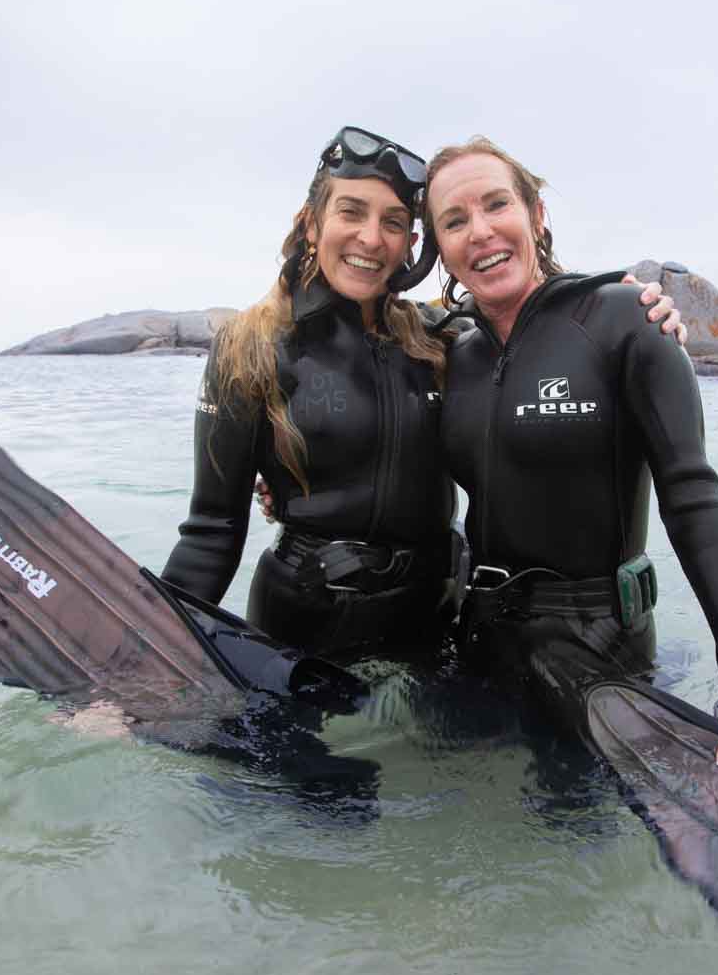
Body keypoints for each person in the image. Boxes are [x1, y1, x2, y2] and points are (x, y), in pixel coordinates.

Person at [163, 125, 684, 656]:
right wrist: (138, 664)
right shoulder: (247, 347)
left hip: (434, 624)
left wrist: (628, 312)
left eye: (393, 222)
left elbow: (534, 333)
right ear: (312, 225)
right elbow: (210, 533)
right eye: (351, 212)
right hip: (303, 629)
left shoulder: (442, 342)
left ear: (413, 245)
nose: (371, 238)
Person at [424, 136, 718, 770]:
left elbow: (691, 492)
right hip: (476, 640)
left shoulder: (624, 320)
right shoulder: (451, 353)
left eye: (496, 205)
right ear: (441, 249)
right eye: (454, 220)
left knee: (575, 844)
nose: (479, 231)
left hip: (599, 649)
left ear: (536, 215)